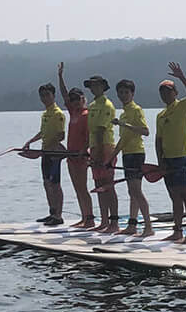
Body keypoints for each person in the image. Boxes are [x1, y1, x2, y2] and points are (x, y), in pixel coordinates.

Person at [156, 63, 186, 243]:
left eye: (168, 91)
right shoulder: (161, 115)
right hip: (167, 160)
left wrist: (181, 77)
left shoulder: (183, 106)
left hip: (181, 158)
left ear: (175, 92)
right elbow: (158, 140)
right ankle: (177, 231)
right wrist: (160, 161)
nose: (165, 95)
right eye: (162, 92)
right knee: (174, 196)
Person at [21, 80, 68, 225]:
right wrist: (30, 141)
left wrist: (50, 148)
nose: (44, 98)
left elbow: (61, 135)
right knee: (46, 182)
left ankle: (58, 216)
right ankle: (52, 212)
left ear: (53, 96)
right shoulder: (45, 114)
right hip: (45, 152)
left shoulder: (58, 113)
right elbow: (43, 132)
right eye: (42, 96)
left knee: (55, 184)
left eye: (47, 95)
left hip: (54, 154)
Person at [113, 79, 154, 237]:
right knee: (132, 191)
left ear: (132, 94)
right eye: (121, 93)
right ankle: (132, 225)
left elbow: (145, 131)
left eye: (126, 92)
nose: (123, 95)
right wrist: (112, 156)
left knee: (136, 191)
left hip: (137, 154)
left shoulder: (136, 110)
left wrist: (125, 125)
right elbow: (123, 140)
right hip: (127, 154)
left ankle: (148, 227)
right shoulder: (123, 113)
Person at [84, 75, 120, 234]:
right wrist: (91, 151)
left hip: (105, 146)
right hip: (94, 147)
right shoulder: (91, 105)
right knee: (98, 184)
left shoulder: (107, 105)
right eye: (91, 85)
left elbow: (101, 129)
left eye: (96, 85)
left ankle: (114, 221)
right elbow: (91, 130)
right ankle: (104, 220)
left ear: (103, 87)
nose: (93, 88)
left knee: (108, 184)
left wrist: (98, 153)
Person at [61, 70, 94, 229]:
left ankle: (90, 218)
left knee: (83, 188)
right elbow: (64, 95)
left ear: (83, 99)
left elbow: (89, 137)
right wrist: (60, 77)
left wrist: (84, 150)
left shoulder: (86, 114)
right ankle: (83, 217)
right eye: (72, 99)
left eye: (77, 99)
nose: (74, 102)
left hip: (81, 157)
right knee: (77, 189)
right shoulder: (73, 112)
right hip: (70, 156)